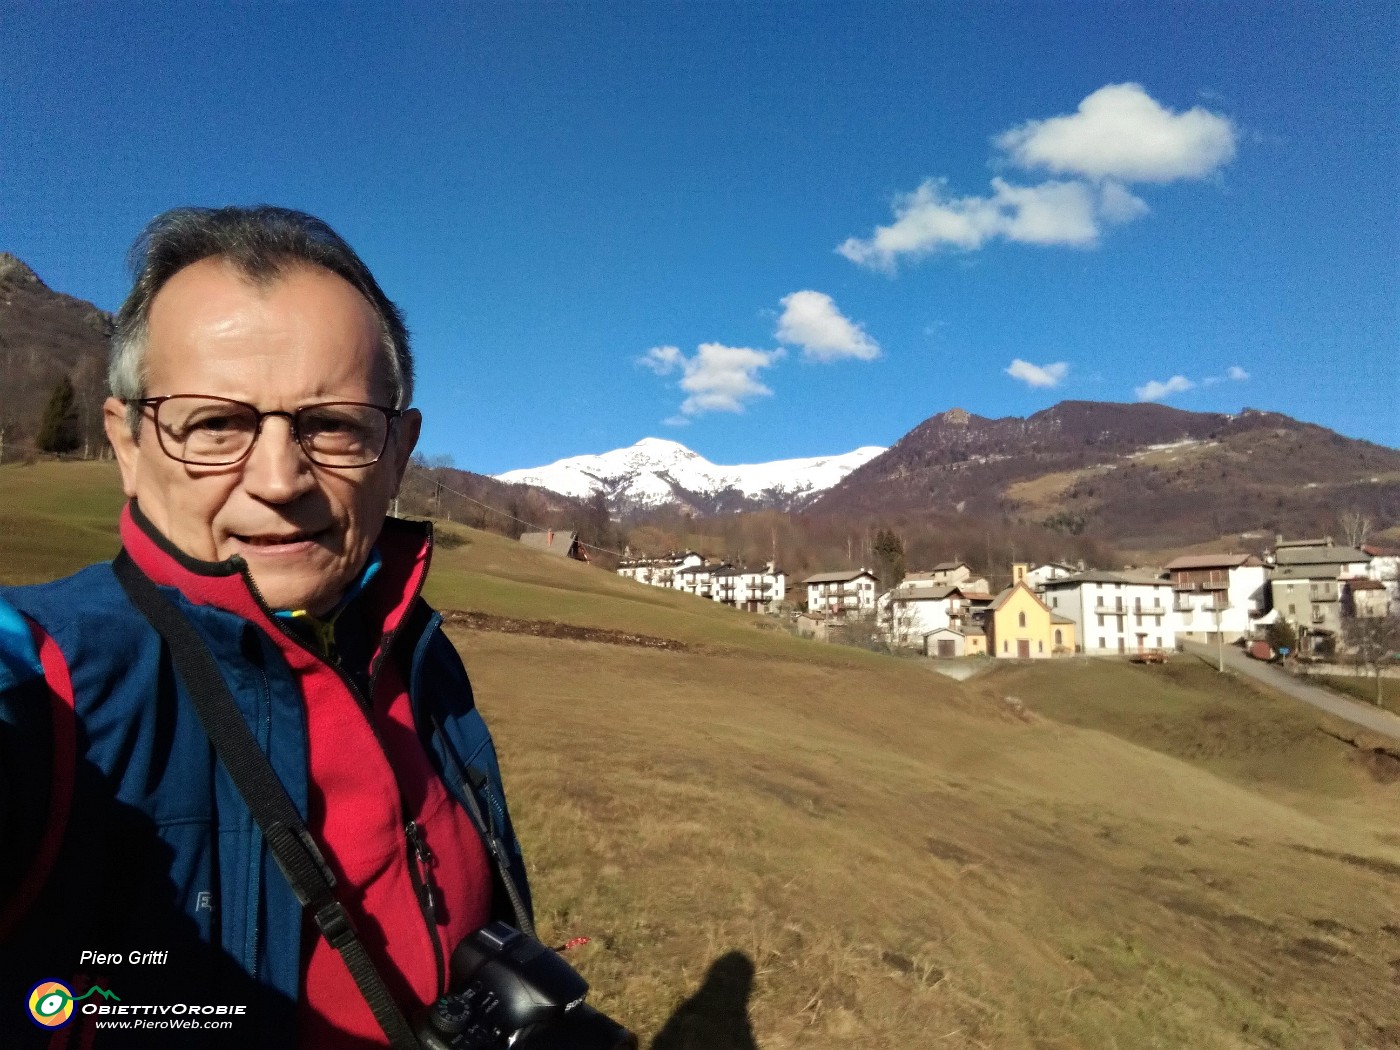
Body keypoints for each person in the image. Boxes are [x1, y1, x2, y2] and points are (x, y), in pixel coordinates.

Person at [0, 206, 531, 1047]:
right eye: (215, 424)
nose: (281, 479)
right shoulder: (53, 679)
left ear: (397, 452)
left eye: (333, 425)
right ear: (129, 445)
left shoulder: (420, 652)